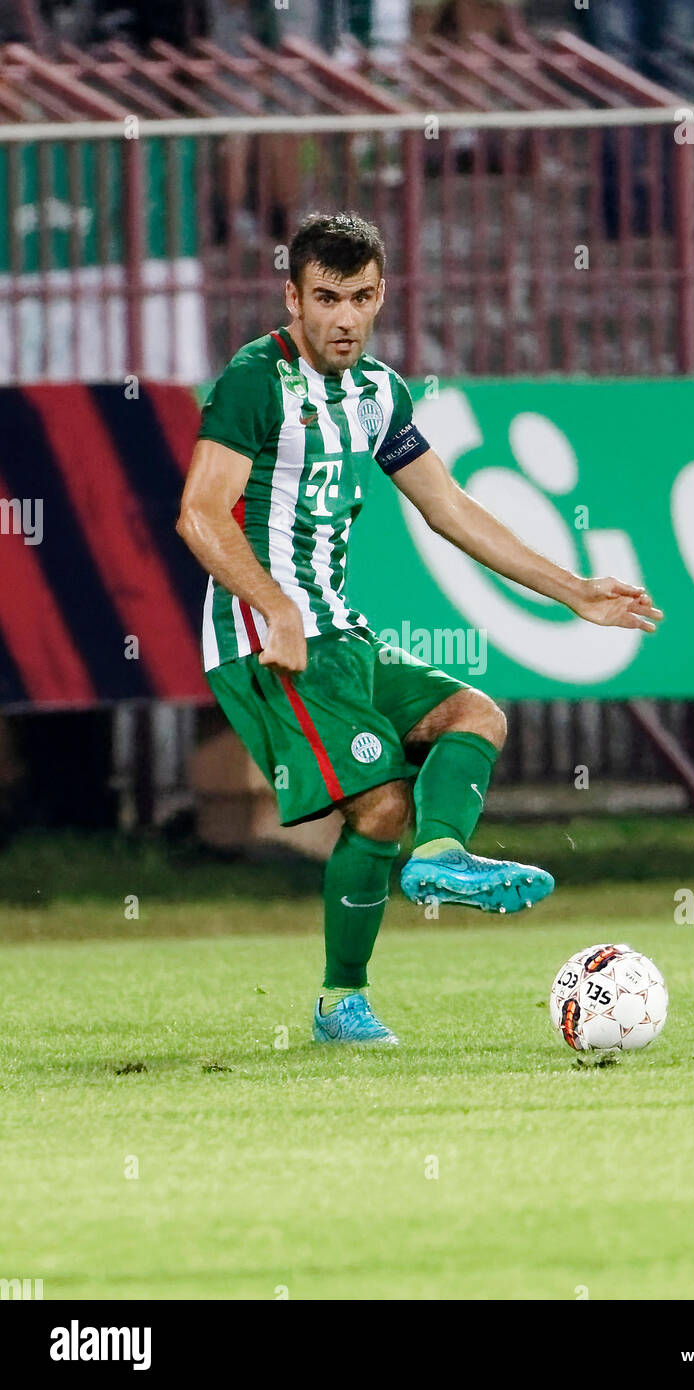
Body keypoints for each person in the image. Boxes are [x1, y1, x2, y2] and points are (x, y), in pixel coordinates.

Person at [177, 212, 662, 1046]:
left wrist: (572, 590)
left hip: (342, 632)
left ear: (381, 295)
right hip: (265, 639)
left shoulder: (379, 393)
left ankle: (439, 858)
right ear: (292, 295)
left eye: (360, 298)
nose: (343, 319)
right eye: (325, 298)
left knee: (475, 714)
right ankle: (342, 1000)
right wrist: (278, 606)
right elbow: (197, 513)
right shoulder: (256, 381)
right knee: (380, 806)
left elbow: (452, 511)